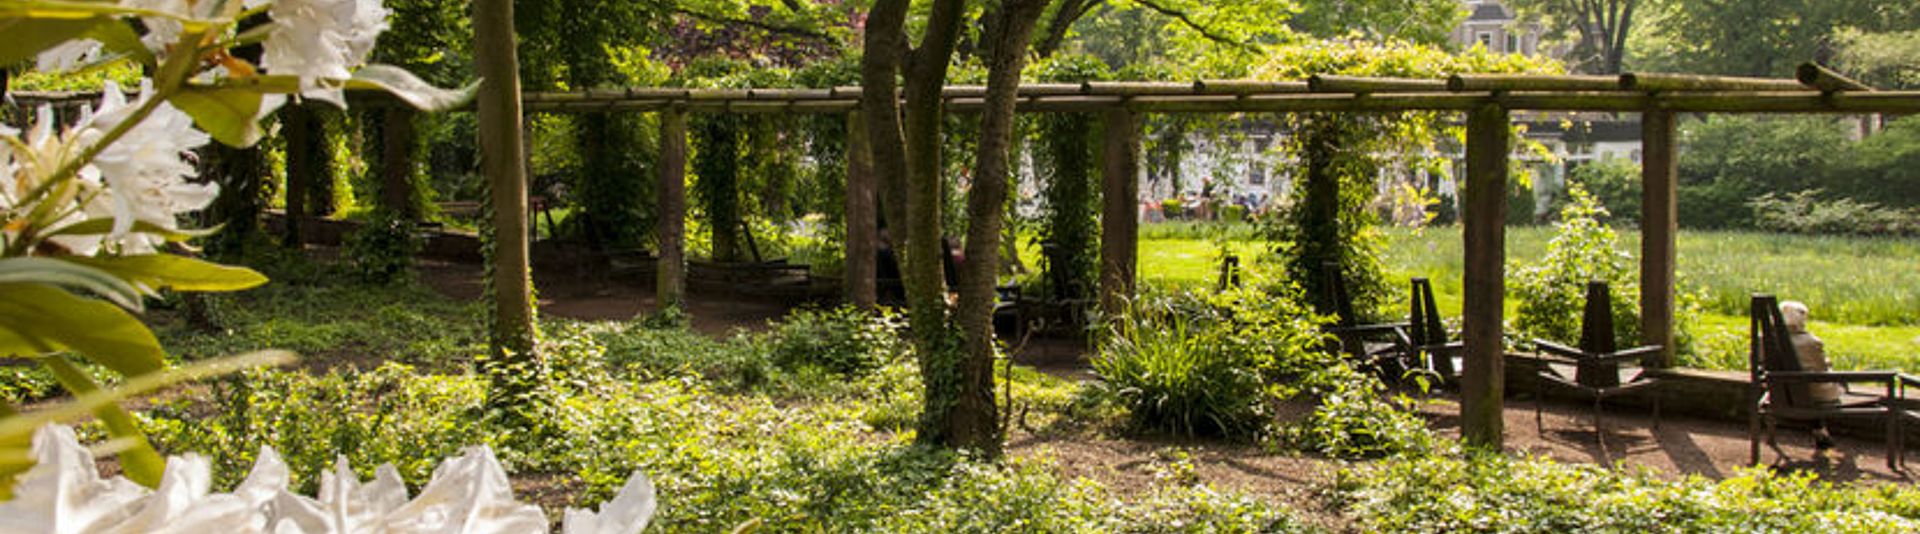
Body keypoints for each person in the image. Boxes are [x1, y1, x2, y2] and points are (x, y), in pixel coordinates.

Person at [1781, 300, 1841, 451]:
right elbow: (1821, 370)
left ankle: (1819, 429)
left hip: (1781, 393)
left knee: (1803, 390)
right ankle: (1821, 430)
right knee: (1817, 388)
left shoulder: (1768, 341)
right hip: (1814, 394)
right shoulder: (1812, 342)